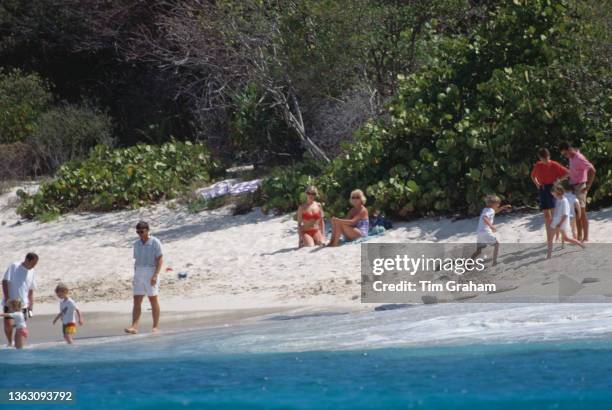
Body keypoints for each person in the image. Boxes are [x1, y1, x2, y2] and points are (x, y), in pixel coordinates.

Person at [125, 221, 163, 334]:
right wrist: (135, 275)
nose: (140, 234)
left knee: (153, 299)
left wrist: (155, 275)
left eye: (141, 231)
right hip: (139, 271)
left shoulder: (155, 242)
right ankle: (134, 326)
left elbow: (160, 259)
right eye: (138, 232)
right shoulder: (136, 244)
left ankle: (155, 326)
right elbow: (136, 260)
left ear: (147, 230)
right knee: (137, 300)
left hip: (151, 270)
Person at [530, 148, 569, 245]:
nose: (546, 161)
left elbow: (568, 173)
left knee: (555, 214)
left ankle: (559, 236)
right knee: (547, 216)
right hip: (543, 189)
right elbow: (532, 176)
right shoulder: (538, 165)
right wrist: (537, 184)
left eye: (547, 158)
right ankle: (549, 239)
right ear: (540, 158)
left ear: (549, 156)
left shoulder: (554, 164)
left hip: (553, 188)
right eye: (544, 159)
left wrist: (558, 180)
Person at [559, 142, 596, 242]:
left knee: (581, 212)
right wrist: (561, 178)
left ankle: (584, 237)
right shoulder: (571, 157)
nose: (565, 156)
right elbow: (572, 171)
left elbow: (592, 170)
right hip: (573, 186)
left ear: (570, 149)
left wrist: (588, 185)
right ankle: (580, 237)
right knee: (577, 213)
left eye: (565, 153)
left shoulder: (579, 158)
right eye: (564, 154)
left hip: (581, 186)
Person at [2, 252, 38, 347]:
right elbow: (5, 281)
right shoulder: (14, 266)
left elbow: (31, 289)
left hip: (24, 304)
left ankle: (17, 347)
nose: (34, 266)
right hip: (11, 302)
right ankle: (10, 342)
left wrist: (31, 304)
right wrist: (7, 298)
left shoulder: (32, 271)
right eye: (33, 263)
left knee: (20, 326)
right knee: (8, 324)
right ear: (27, 260)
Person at [470, 195, 511, 266]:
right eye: (498, 203)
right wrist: (491, 226)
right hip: (486, 231)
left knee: (478, 250)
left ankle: (468, 262)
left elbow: (495, 211)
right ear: (493, 204)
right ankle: (494, 262)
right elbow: (485, 218)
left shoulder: (486, 209)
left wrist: (503, 207)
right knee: (496, 244)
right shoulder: (490, 210)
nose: (499, 205)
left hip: (479, 232)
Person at [548, 184, 586, 259]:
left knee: (565, 238)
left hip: (561, 222)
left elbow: (565, 215)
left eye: (554, 194)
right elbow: (557, 212)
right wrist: (552, 219)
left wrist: (559, 224)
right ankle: (549, 254)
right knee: (552, 238)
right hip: (556, 221)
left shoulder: (564, 201)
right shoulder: (558, 200)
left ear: (558, 192)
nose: (553, 196)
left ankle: (580, 244)